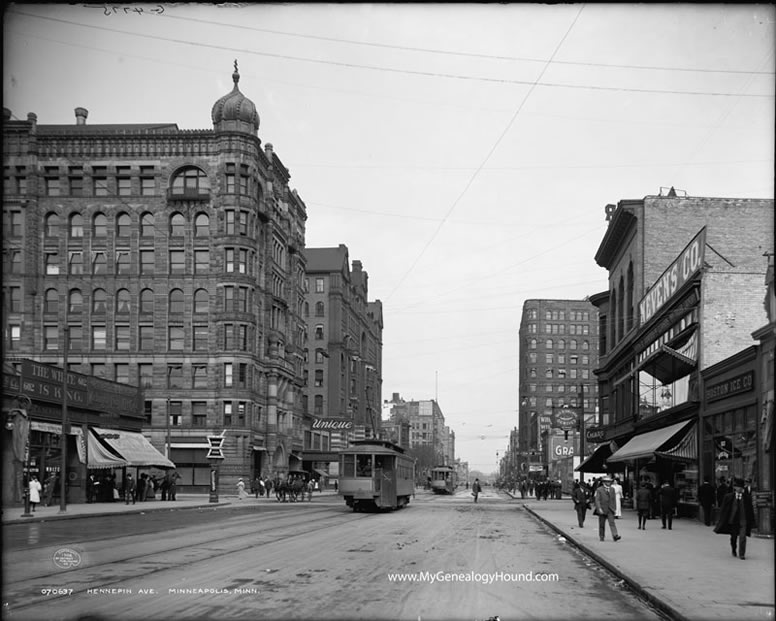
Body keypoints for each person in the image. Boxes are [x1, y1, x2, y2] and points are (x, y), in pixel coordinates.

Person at [714, 477, 757, 560]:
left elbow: (750, 510)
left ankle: (742, 554)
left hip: (743, 520)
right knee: (733, 537)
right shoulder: (729, 497)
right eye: (738, 487)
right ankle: (734, 549)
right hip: (733, 521)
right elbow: (724, 509)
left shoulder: (747, 498)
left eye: (741, 487)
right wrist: (721, 519)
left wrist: (752, 521)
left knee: (743, 537)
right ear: (735, 488)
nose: (739, 489)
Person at [594, 476, 621, 542]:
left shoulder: (612, 489)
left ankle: (615, 535)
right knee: (602, 524)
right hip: (602, 509)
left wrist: (614, 508)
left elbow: (614, 499)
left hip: (610, 509)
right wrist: (599, 508)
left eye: (609, 482)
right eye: (607, 482)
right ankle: (602, 536)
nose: (608, 483)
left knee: (612, 523)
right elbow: (597, 500)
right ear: (604, 482)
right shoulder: (599, 489)